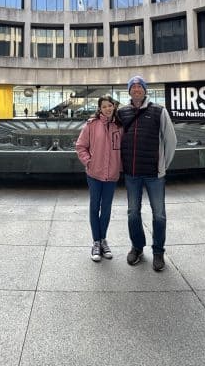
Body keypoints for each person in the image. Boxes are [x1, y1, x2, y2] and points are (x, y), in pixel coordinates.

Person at [117, 75, 177, 272]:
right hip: (132, 174)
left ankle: (158, 251)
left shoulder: (159, 111)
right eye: (132, 87)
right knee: (132, 213)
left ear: (145, 90)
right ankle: (137, 247)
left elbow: (171, 140)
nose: (136, 89)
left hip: (154, 174)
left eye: (139, 86)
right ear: (129, 91)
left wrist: (163, 165)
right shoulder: (122, 112)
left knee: (159, 215)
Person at [75, 95, 122, 262]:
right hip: (94, 174)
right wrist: (89, 162)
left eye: (110, 106)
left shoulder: (119, 126)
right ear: (99, 109)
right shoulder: (91, 125)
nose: (108, 109)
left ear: (114, 107)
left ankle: (103, 240)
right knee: (95, 207)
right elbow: (81, 146)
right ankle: (96, 241)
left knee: (107, 209)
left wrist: (120, 166)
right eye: (104, 107)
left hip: (112, 175)